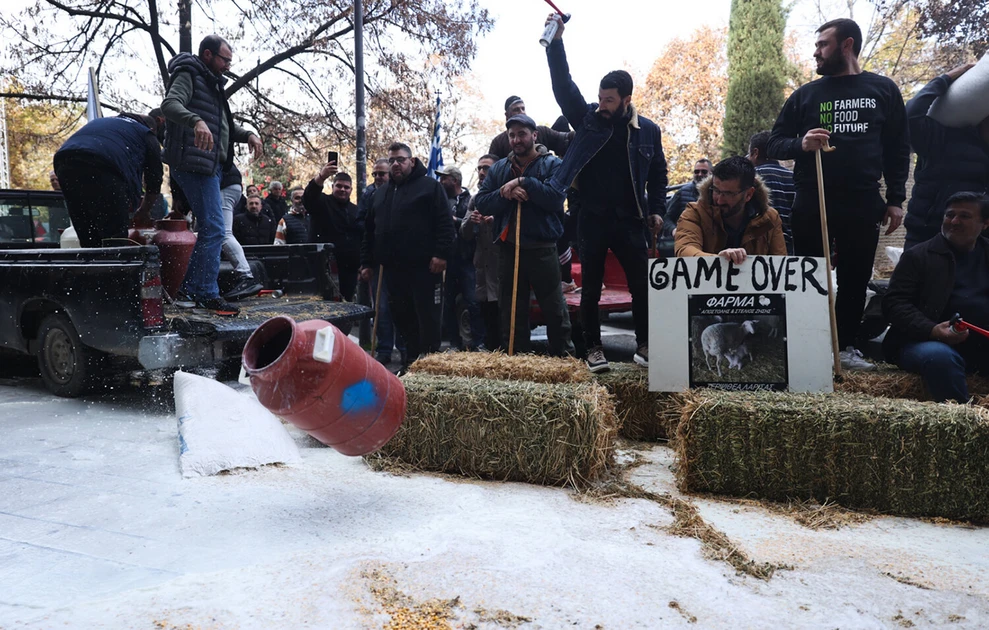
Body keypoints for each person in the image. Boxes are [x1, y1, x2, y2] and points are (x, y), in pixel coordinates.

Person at [767, 18, 910, 371]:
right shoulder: (805, 95)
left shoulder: (884, 90)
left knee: (855, 277)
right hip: (812, 196)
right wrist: (800, 143)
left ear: (846, 45)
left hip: (863, 199)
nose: (816, 52)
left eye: (823, 45)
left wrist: (895, 199)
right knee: (810, 273)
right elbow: (773, 142)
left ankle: (844, 347)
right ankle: (810, 345)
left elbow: (897, 148)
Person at [544, 13, 668, 372]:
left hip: (631, 219)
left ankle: (645, 345)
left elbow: (659, 173)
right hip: (592, 218)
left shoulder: (648, 131)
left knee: (641, 288)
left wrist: (658, 208)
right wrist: (556, 43)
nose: (602, 104)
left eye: (609, 100)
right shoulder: (586, 120)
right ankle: (593, 348)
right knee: (592, 288)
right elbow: (563, 86)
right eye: (600, 97)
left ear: (626, 99)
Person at [161, 34, 263, 313]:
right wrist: (195, 121)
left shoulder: (212, 84)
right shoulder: (189, 73)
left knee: (211, 228)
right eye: (224, 59)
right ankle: (204, 291)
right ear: (208, 55)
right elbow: (169, 105)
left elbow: (224, 130)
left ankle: (189, 290)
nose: (228, 65)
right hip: (193, 164)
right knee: (216, 229)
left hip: (211, 167)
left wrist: (249, 134)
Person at [476, 114, 573, 356]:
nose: (517, 139)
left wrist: (525, 182)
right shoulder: (499, 168)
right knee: (511, 310)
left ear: (534, 135)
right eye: (512, 135)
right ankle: (517, 359)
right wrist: (504, 194)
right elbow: (483, 202)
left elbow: (554, 198)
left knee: (554, 309)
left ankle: (564, 359)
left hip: (543, 248)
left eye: (521, 134)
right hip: (509, 248)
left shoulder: (553, 165)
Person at [882, 192, 989, 402]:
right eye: (950, 215)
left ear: (985, 223)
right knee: (939, 358)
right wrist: (931, 330)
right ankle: (963, 425)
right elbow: (894, 304)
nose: (954, 221)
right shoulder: (918, 256)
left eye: (965, 216)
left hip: (980, 343)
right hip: (922, 341)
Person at [360, 142, 454, 371]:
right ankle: (410, 364)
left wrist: (441, 254)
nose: (395, 164)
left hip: (425, 268)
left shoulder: (430, 187)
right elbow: (370, 230)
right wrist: (366, 262)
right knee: (402, 318)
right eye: (391, 160)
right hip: (392, 270)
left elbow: (444, 223)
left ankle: (432, 368)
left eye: (400, 160)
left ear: (411, 161)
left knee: (428, 320)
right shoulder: (380, 194)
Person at [903, 64, 989, 250]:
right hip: (926, 235)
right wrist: (946, 78)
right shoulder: (941, 137)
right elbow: (911, 115)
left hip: (975, 243)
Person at [53, 111, 163, 247]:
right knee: (114, 237)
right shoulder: (146, 133)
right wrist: (144, 211)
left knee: (87, 232)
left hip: (65, 162)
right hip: (104, 165)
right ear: (153, 128)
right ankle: (115, 265)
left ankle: (92, 264)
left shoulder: (102, 123)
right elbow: (154, 180)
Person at [675, 156, 787, 262]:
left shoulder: (770, 218)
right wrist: (718, 260)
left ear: (748, 194)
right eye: (716, 190)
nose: (719, 200)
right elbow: (684, 250)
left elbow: (780, 264)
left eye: (728, 194)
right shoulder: (694, 212)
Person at [436, 164, 483, 350]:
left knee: (472, 301)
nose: (440, 181)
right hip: (448, 261)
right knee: (448, 304)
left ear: (454, 180)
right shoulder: (441, 201)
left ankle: (478, 342)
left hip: (468, 260)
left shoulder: (470, 200)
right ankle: (454, 343)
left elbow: (472, 225)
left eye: (444, 178)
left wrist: (454, 221)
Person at [461, 154, 502, 351]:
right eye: (479, 168)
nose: (481, 172)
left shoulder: (506, 194)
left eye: (486, 168)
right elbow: (464, 233)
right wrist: (472, 221)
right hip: (483, 271)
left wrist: (497, 222)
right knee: (487, 315)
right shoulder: (475, 199)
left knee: (507, 319)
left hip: (503, 269)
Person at [305, 169, 362, 301]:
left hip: (349, 268)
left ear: (351, 190)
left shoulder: (356, 210)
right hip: (323, 267)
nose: (343, 189)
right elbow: (309, 197)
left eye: (346, 187)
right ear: (332, 187)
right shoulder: (322, 202)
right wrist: (321, 177)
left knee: (346, 301)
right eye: (339, 186)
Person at [747, 130, 795, 254]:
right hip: (793, 249)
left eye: (749, 154)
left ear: (755, 152)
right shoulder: (794, 177)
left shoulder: (751, 178)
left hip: (762, 248)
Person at [488, 96, 573, 159]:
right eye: (516, 110)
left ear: (535, 135)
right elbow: (489, 169)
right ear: (507, 115)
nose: (522, 112)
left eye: (523, 109)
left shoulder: (542, 131)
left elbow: (566, 139)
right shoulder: (498, 142)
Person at [664, 158, 712, 239]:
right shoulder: (682, 193)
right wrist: (674, 230)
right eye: (696, 171)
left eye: (704, 171)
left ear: (711, 173)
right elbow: (667, 218)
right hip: (687, 239)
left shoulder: (717, 194)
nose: (700, 174)